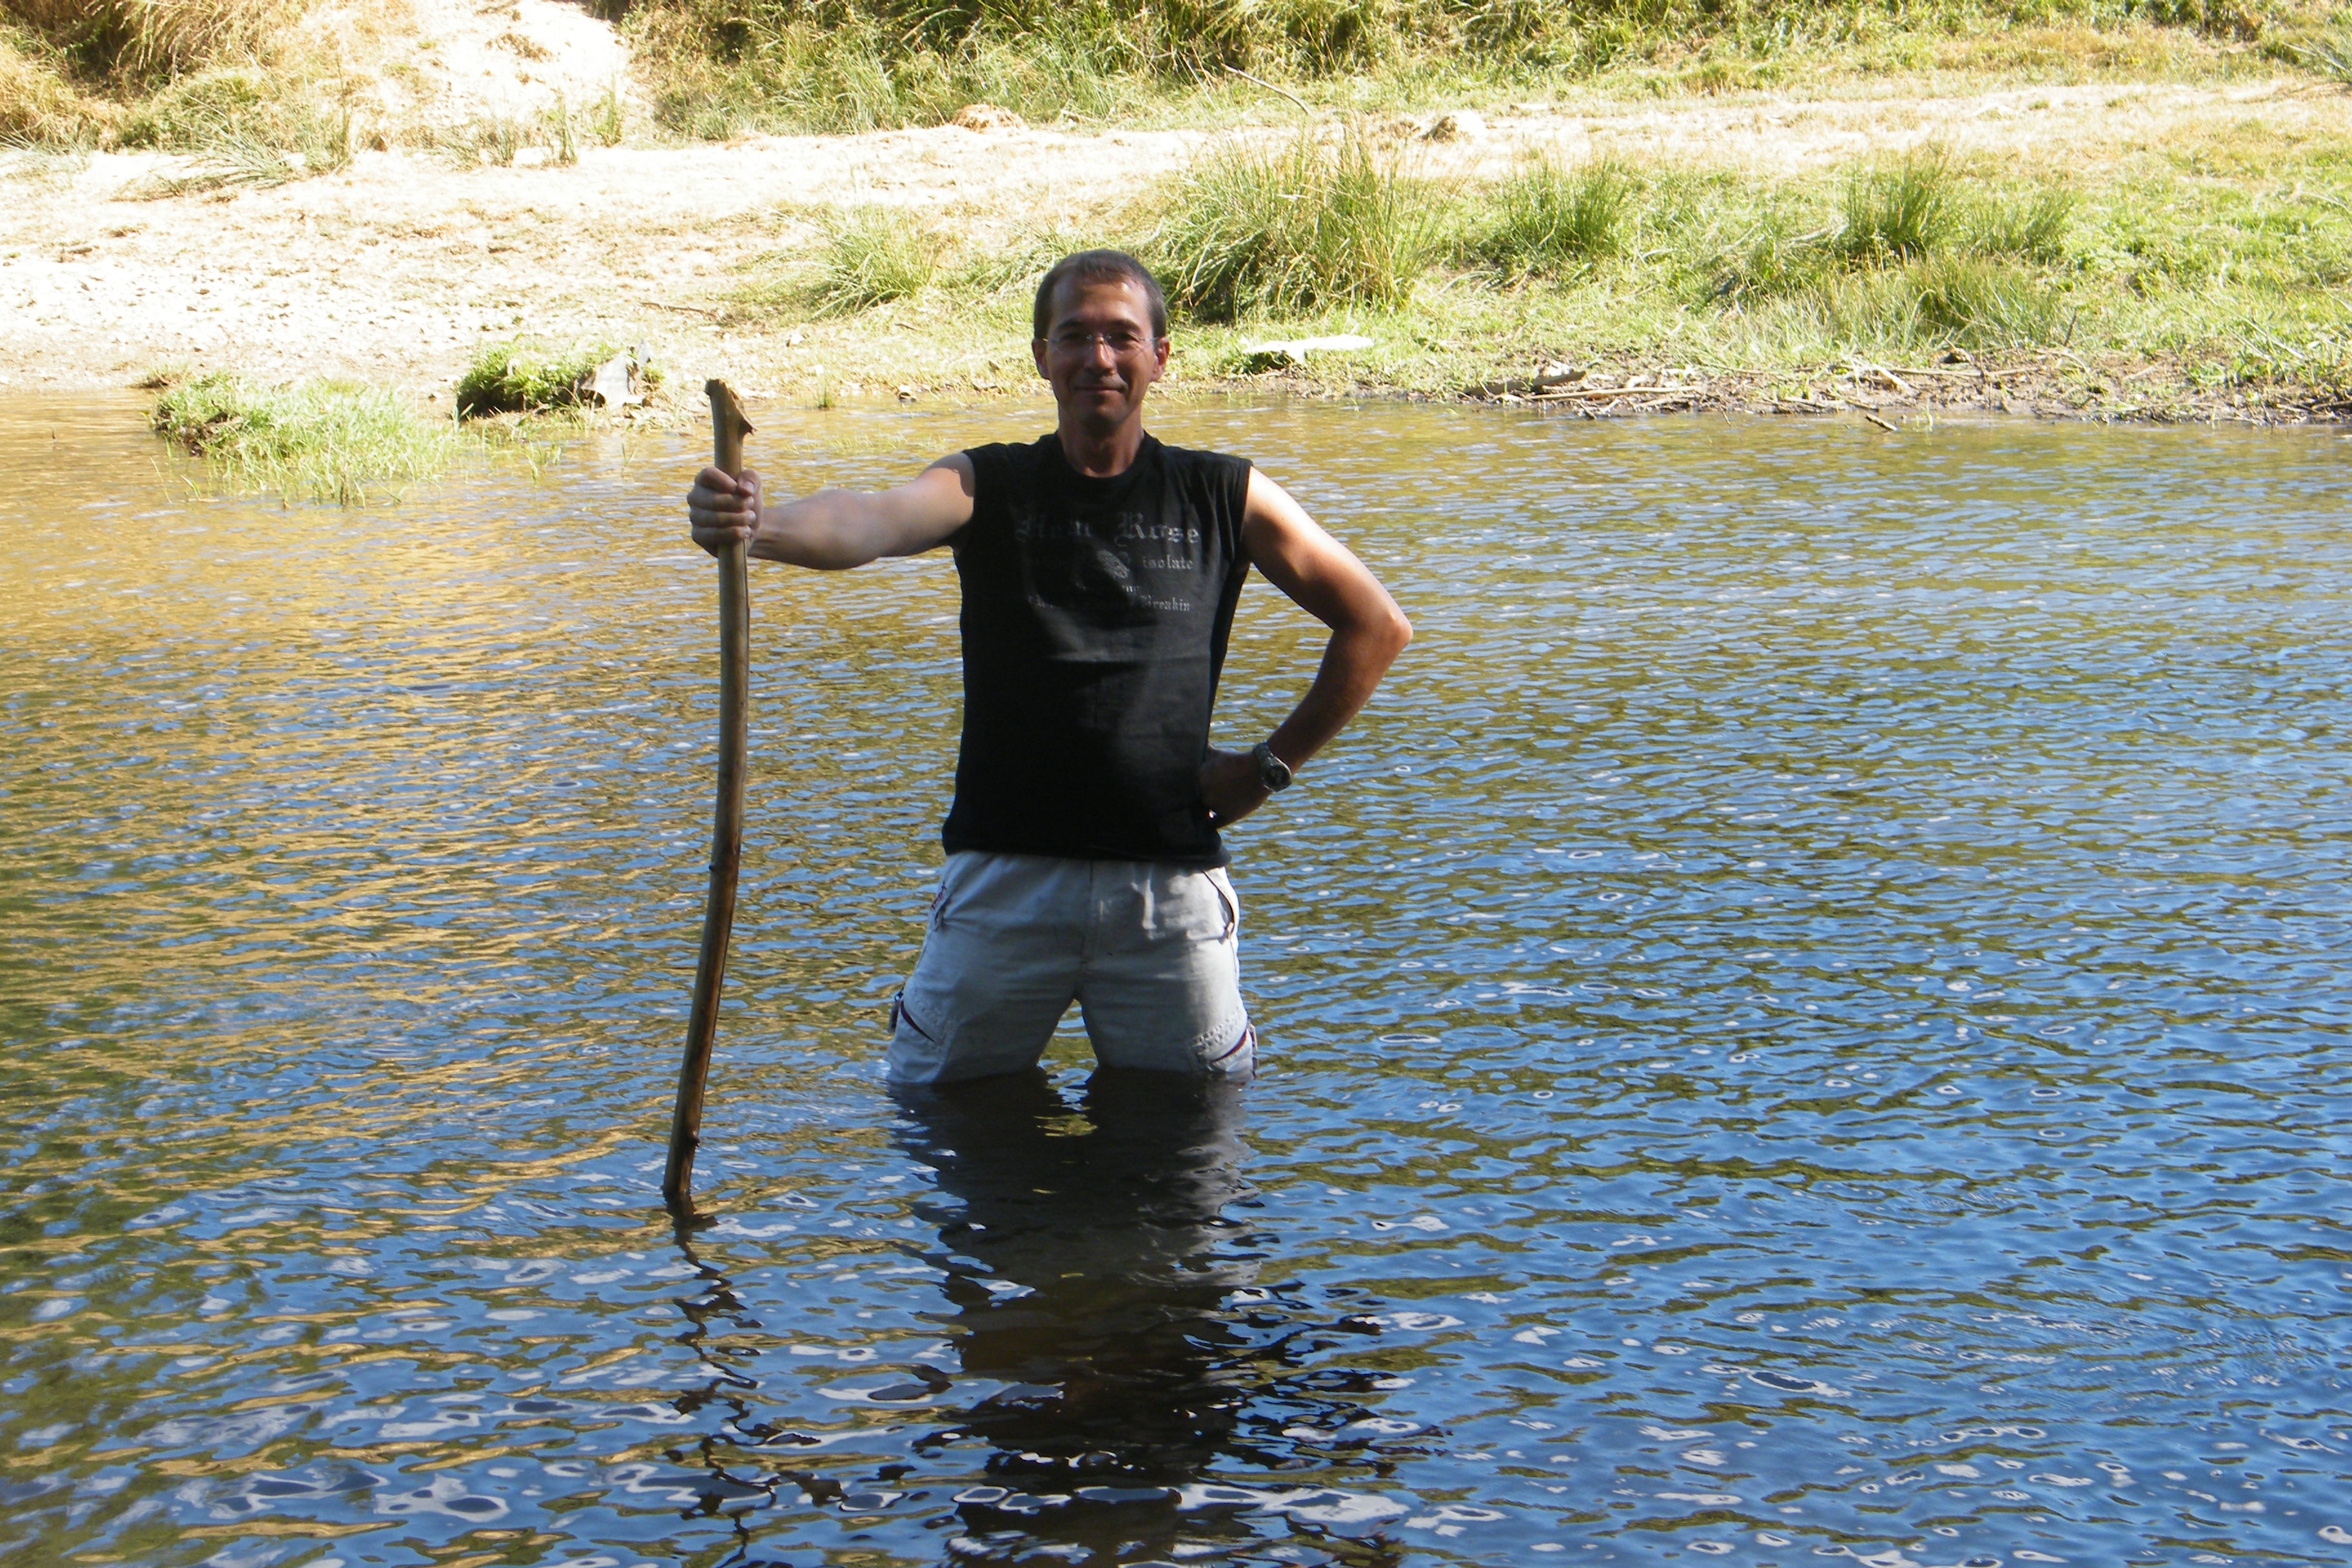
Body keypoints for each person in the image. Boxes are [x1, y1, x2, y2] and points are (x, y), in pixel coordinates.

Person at [686, 249, 1409, 1085]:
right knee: (942, 1119)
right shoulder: (987, 484)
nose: (1099, 357)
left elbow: (1376, 626)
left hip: (1168, 893)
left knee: (1190, 1144)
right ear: (1042, 356)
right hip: (1003, 885)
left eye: (1122, 337)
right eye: (1074, 336)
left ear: (1160, 357)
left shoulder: (1225, 494)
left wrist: (1267, 768)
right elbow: (871, 521)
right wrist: (759, 527)